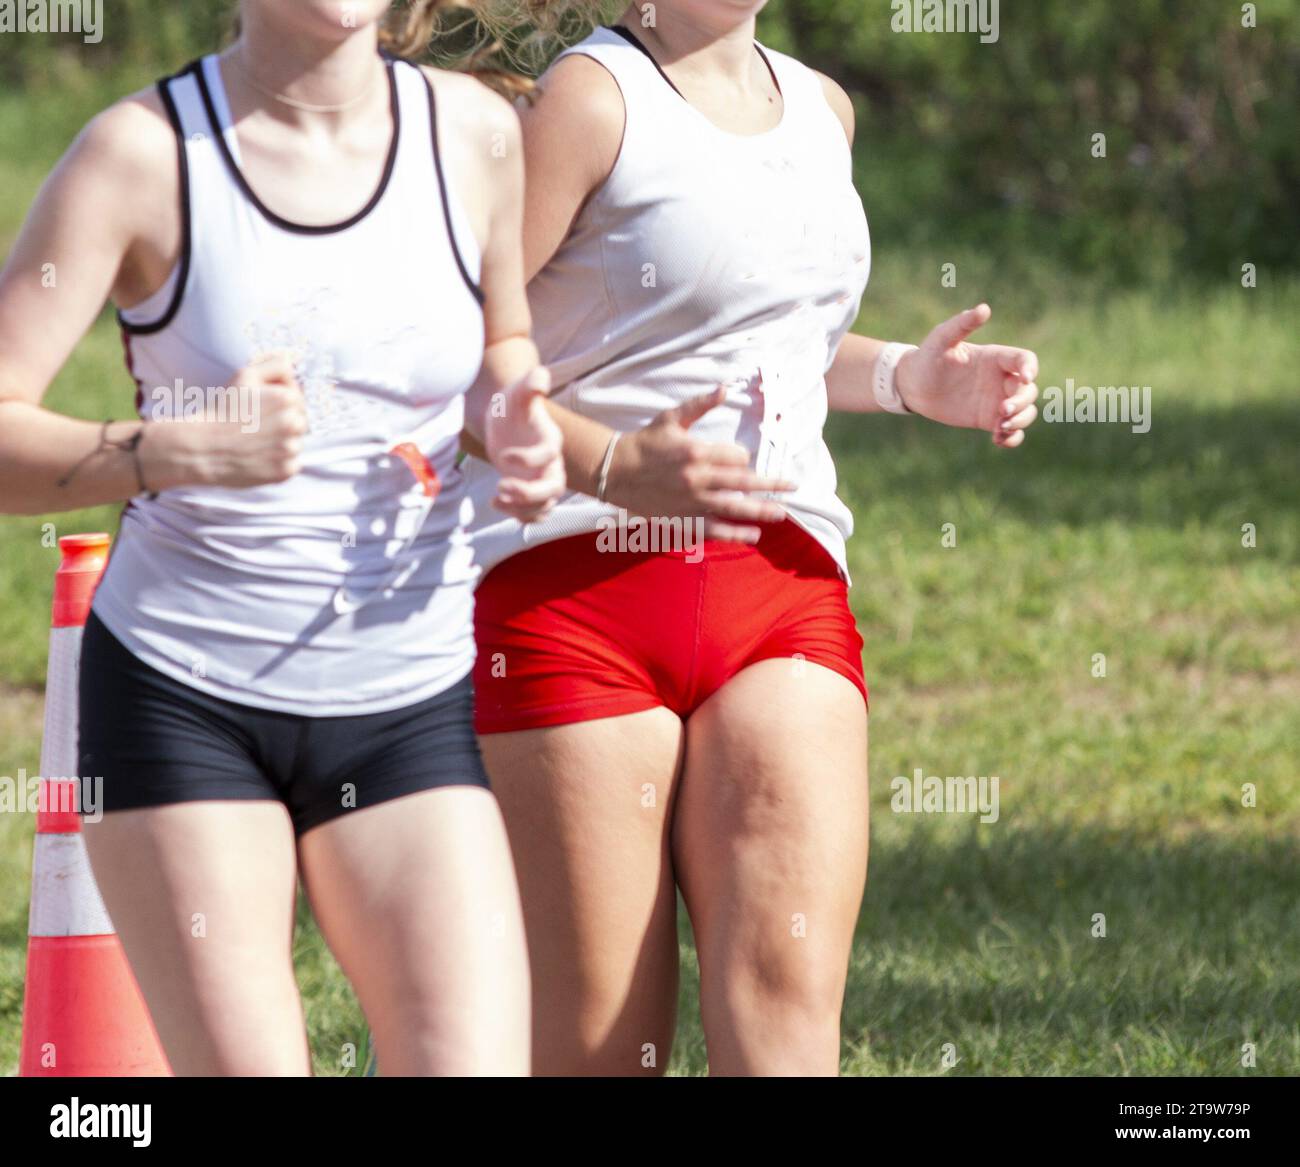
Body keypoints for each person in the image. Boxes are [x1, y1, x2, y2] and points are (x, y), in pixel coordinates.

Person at [464, 1, 1041, 1075]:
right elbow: (456, 362)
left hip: (781, 590)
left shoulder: (824, 109)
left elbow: (777, 342)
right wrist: (612, 464)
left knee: (785, 1023)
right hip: (572, 596)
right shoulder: (587, 103)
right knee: (597, 1045)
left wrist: (908, 380)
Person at [0, 0, 563, 1075]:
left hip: (406, 701)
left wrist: (517, 425)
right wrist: (178, 449)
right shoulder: (143, 155)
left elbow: (500, 350)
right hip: (185, 697)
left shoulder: (478, 134)